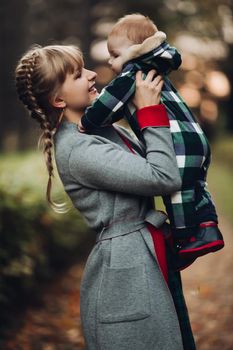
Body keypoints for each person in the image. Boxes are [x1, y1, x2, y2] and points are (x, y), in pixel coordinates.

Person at [15, 44, 197, 349]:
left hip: (143, 257)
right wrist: (149, 109)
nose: (90, 75)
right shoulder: (78, 150)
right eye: (77, 75)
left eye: (84, 67)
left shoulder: (100, 131)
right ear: (58, 99)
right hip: (126, 277)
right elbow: (162, 176)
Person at [79, 13, 224, 266]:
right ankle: (208, 226)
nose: (111, 61)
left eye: (114, 55)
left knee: (176, 191)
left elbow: (107, 105)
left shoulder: (132, 73)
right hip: (195, 141)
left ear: (135, 51)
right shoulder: (158, 68)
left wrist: (87, 121)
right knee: (196, 185)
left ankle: (186, 238)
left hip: (176, 143)